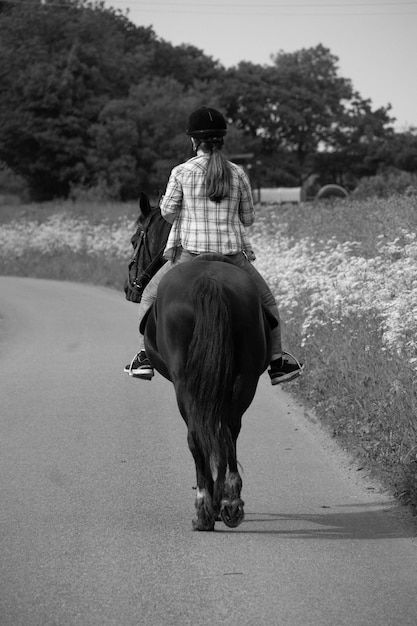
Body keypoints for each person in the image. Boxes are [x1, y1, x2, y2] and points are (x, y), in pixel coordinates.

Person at [125, 106, 303, 385]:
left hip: (189, 255)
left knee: (148, 297)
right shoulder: (238, 173)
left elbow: (168, 214)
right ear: (221, 140)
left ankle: (144, 357)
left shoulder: (181, 172)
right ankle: (278, 362)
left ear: (193, 141)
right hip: (233, 258)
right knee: (268, 303)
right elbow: (248, 218)